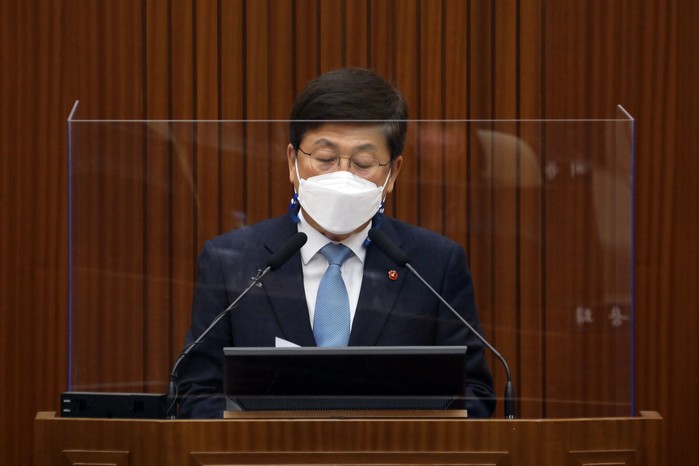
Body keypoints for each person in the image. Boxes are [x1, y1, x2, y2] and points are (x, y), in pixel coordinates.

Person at [175, 67, 496, 418]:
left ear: (392, 174)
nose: (342, 176)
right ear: (292, 162)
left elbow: (474, 395)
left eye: (362, 163)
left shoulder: (433, 265)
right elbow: (195, 393)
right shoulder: (232, 260)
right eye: (325, 159)